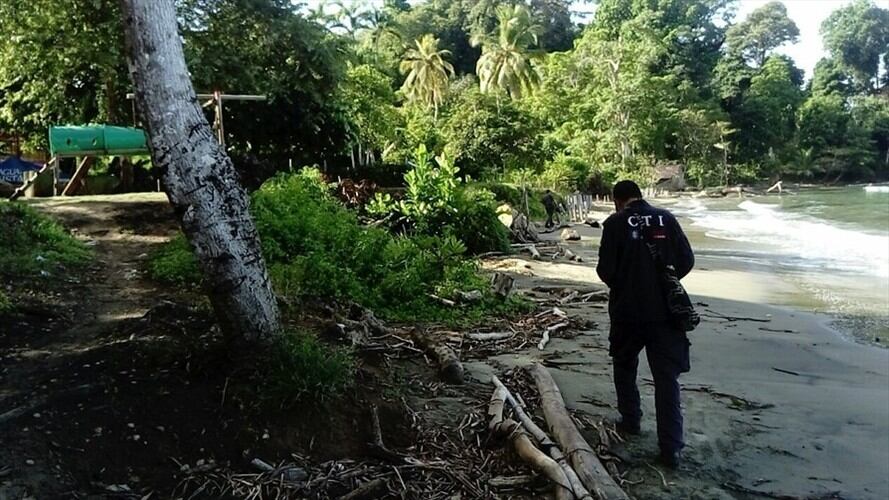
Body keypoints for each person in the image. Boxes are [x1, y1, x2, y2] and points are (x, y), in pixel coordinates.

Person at [595, 180, 694, 469]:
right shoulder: (667, 218)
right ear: (640, 196)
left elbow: (605, 270)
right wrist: (665, 281)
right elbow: (686, 260)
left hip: (627, 311)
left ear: (617, 200)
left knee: (624, 365)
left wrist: (626, 284)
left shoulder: (614, 224)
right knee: (666, 380)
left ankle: (631, 420)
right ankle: (671, 447)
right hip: (666, 312)